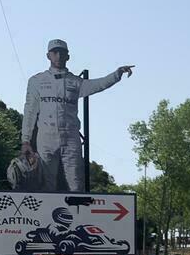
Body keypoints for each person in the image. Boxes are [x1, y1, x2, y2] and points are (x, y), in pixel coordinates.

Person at [21, 39, 134, 192]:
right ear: (48, 55)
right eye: (55, 53)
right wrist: (25, 140)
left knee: (76, 183)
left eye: (62, 53)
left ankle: (78, 213)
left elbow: (98, 84)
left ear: (68, 56)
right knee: (46, 183)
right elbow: (29, 111)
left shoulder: (76, 82)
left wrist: (117, 73)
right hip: (46, 137)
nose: (58, 56)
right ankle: (47, 214)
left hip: (70, 136)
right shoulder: (36, 81)